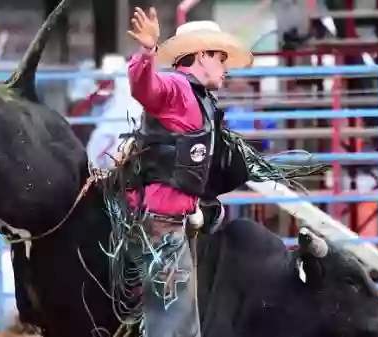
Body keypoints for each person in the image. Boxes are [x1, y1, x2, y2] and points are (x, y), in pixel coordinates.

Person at [123, 7, 255, 337]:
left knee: (182, 326)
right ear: (201, 55)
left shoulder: (199, 99)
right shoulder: (179, 90)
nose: (225, 67)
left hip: (171, 226)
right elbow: (146, 88)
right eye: (220, 58)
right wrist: (147, 52)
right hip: (161, 227)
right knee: (173, 328)